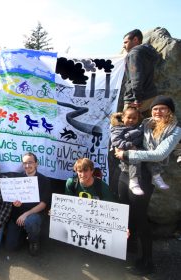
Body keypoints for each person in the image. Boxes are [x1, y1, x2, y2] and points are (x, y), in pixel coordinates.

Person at [115, 95, 181, 275]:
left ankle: (148, 262)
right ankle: (131, 248)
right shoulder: (146, 123)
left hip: (144, 176)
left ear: (170, 111)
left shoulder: (175, 131)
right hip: (125, 172)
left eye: (162, 108)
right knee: (124, 209)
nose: (158, 111)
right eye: (155, 109)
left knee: (140, 216)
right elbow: (126, 122)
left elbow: (159, 154)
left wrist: (128, 155)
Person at [4, 152, 51, 256]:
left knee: (32, 221)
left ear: (36, 164)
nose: (27, 166)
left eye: (30, 162)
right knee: (11, 247)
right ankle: (24, 233)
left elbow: (43, 205)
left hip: (35, 215)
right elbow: (12, 198)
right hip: (18, 216)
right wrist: (14, 203)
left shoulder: (44, 180)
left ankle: (33, 241)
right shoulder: (17, 179)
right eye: (25, 163)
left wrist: (26, 214)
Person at [122, 29, 158, 117]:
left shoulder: (134, 53)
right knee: (147, 127)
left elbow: (136, 77)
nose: (123, 46)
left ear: (135, 40)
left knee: (125, 126)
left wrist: (137, 99)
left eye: (126, 42)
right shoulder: (148, 53)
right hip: (151, 96)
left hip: (136, 100)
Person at [110, 107, 145, 195]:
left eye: (134, 118)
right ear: (123, 118)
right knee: (133, 158)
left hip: (135, 152)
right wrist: (129, 145)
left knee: (135, 157)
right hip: (122, 153)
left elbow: (141, 140)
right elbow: (115, 140)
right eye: (129, 117)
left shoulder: (138, 128)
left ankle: (155, 174)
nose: (131, 120)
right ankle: (134, 181)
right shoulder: (118, 128)